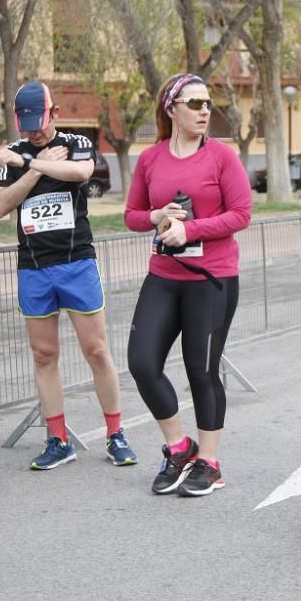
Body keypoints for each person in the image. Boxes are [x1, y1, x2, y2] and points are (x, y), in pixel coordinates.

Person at [0, 81, 137, 470]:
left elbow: (80, 172)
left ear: (54, 114)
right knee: (44, 354)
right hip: (34, 268)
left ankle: (116, 434)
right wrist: (32, 169)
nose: (34, 132)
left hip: (76, 263)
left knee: (97, 351)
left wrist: (31, 163)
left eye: (39, 123)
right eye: (27, 125)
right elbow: (1, 205)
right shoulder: (15, 153)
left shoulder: (76, 142)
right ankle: (58, 440)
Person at [124, 73, 252, 496]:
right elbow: (132, 216)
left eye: (207, 104)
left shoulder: (221, 157)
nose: (204, 111)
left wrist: (191, 230)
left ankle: (210, 462)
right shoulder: (150, 159)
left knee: (202, 369)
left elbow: (241, 214)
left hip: (212, 279)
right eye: (194, 103)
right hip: (164, 276)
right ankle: (179, 447)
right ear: (172, 108)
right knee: (142, 362)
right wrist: (157, 216)